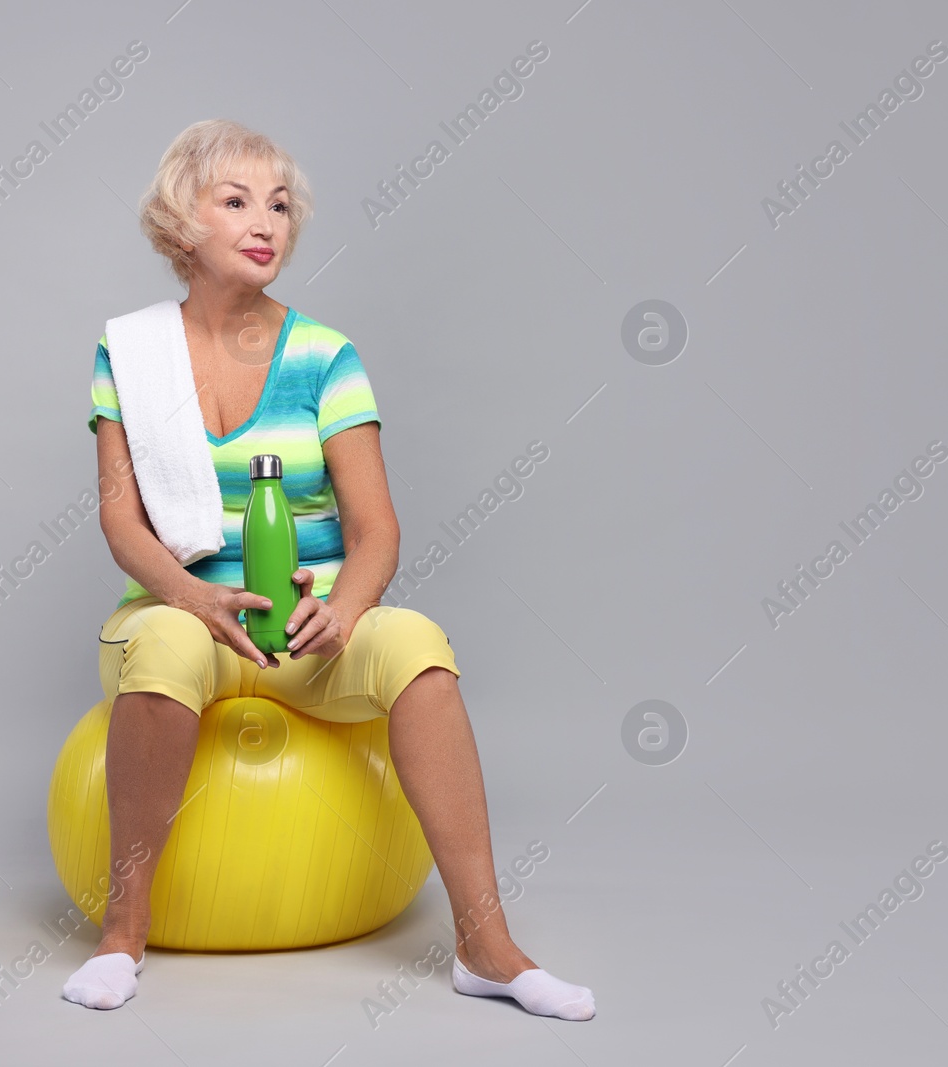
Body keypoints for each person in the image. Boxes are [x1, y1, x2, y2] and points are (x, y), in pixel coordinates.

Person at [61, 119, 594, 1021]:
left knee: (418, 642)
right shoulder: (130, 353)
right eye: (234, 202)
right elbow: (121, 519)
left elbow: (376, 526)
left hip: (304, 628)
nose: (264, 221)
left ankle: (486, 944)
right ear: (181, 222)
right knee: (158, 647)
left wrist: (346, 608)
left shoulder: (325, 356)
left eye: (278, 204)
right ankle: (124, 930)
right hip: (181, 613)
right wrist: (192, 597)